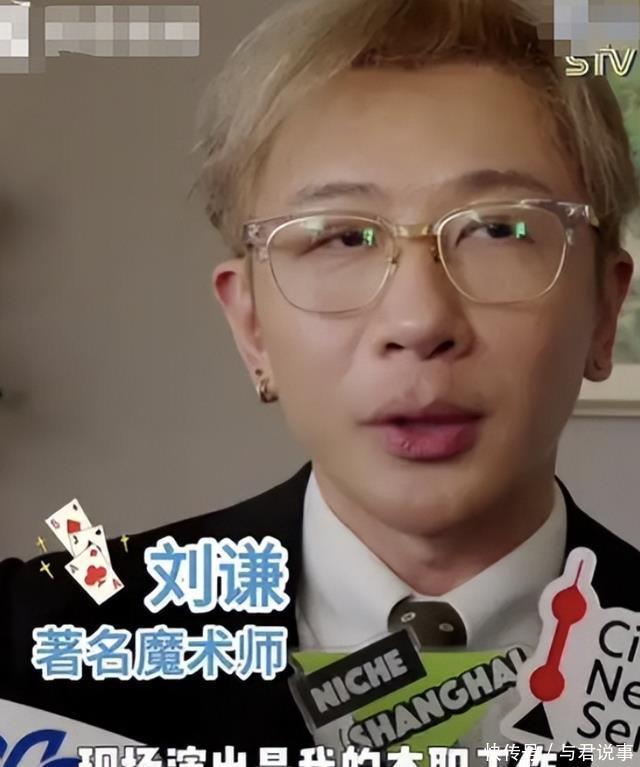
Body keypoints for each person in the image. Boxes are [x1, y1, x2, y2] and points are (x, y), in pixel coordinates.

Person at [1, 0, 639, 758]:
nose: (419, 320)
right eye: (340, 236)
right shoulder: (34, 649)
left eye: (499, 228)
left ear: (605, 311)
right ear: (251, 326)